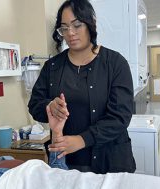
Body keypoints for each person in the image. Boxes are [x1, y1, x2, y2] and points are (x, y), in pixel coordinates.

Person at [28, 0, 136, 174]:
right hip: (67, 163)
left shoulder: (115, 63)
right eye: (64, 28)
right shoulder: (52, 67)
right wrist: (49, 106)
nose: (70, 33)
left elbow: (120, 117)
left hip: (110, 161)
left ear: (90, 23)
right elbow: (34, 105)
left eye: (77, 25)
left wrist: (81, 140)